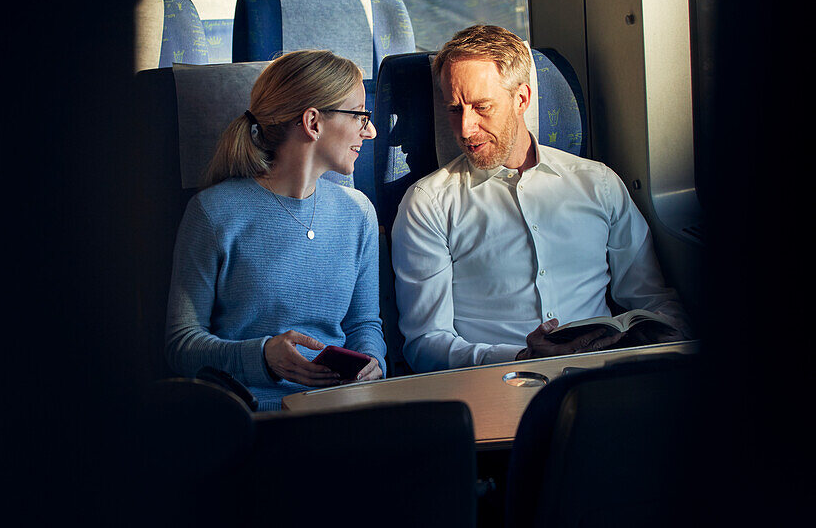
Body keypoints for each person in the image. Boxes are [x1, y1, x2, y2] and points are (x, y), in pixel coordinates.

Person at [391, 25, 691, 372]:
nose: (465, 129)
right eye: (454, 109)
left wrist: (674, 336)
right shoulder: (428, 203)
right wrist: (520, 358)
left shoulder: (598, 184)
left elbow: (651, 298)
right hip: (496, 383)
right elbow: (425, 344)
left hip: (602, 380)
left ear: (521, 99)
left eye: (481, 107)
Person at [165, 49, 386, 410]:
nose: (371, 131)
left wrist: (372, 365)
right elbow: (181, 345)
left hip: (341, 412)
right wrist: (262, 357)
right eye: (361, 116)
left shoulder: (357, 213)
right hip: (247, 415)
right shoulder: (212, 213)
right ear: (313, 123)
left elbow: (364, 324)